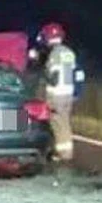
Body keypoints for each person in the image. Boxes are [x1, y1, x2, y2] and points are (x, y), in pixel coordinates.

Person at [37, 23, 77, 161]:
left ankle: (63, 154)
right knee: (64, 122)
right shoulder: (69, 52)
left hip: (56, 95)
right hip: (68, 94)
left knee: (57, 124)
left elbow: (53, 78)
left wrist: (43, 72)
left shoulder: (54, 54)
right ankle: (66, 152)